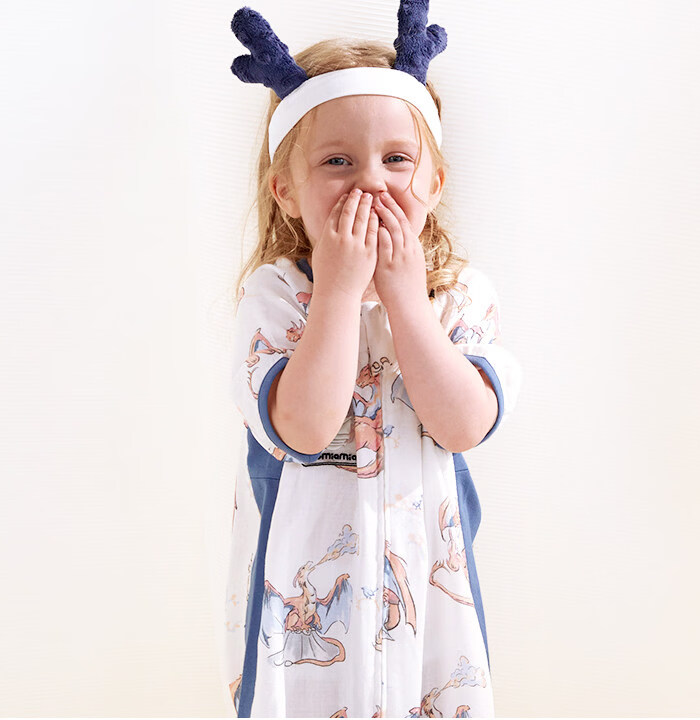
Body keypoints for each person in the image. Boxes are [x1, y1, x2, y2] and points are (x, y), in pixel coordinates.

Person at [224, 2, 523, 716]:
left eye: (396, 159)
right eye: (337, 162)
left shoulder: (459, 296)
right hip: (302, 603)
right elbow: (302, 427)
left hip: (429, 601)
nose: (370, 183)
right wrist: (337, 291)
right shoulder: (276, 298)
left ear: (434, 185)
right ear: (286, 191)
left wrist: (407, 302)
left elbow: (464, 425)